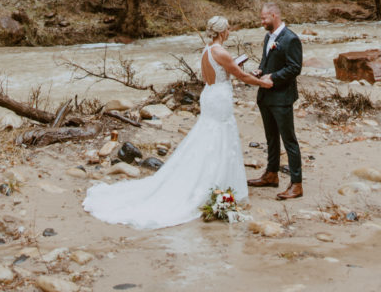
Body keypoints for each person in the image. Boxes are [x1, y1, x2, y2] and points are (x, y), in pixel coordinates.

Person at [83, 15, 272, 229]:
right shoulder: (221, 51)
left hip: (210, 93)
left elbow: (217, 73)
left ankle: (210, 181)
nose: (229, 31)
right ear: (221, 32)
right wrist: (263, 83)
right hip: (219, 97)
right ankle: (213, 183)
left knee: (208, 136)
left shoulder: (207, 50)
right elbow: (241, 76)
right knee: (221, 137)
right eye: (228, 29)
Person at [248, 0, 303, 200]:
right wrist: (260, 70)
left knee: (289, 140)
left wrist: (272, 77)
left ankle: (296, 184)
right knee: (271, 138)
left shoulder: (291, 39)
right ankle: (271, 174)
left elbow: (295, 67)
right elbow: (266, 60)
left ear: (274, 16)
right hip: (266, 96)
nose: (261, 22)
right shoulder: (268, 37)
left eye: (264, 18)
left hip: (282, 97)